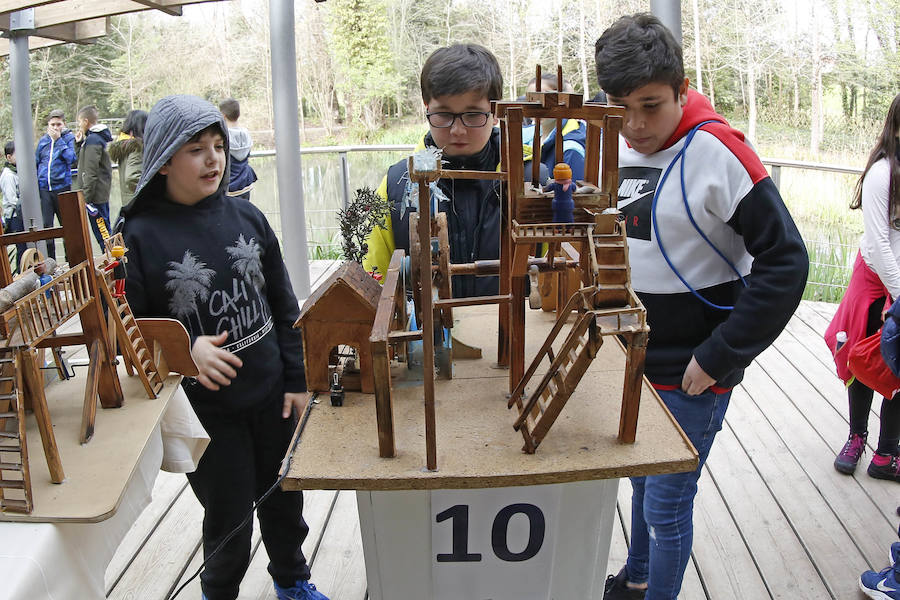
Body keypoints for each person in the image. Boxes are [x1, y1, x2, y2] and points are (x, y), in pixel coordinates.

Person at [594, 14, 808, 600]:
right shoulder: (606, 139)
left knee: (666, 506)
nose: (635, 125)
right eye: (619, 106)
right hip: (629, 359)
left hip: (693, 372)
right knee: (641, 483)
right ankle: (635, 579)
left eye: (650, 105)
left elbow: (787, 262)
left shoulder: (720, 153)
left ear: (681, 91)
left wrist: (719, 355)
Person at [118, 95, 328, 600]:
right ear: (164, 159)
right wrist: (188, 349)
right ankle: (219, 593)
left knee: (284, 499)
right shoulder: (140, 236)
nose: (214, 158)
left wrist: (298, 381)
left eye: (218, 145)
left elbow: (282, 301)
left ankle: (293, 581)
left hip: (273, 393)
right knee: (229, 518)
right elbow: (132, 330)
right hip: (210, 415)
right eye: (196, 149)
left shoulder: (247, 217)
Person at [364, 43, 505, 297]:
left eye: (473, 115)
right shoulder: (395, 186)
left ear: (495, 112)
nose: (458, 130)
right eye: (443, 115)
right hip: (426, 335)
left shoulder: (530, 180)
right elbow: (373, 286)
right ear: (426, 107)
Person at [825, 91, 900, 483]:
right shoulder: (883, 173)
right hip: (875, 282)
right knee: (859, 359)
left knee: (897, 369)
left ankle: (887, 454)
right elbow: (879, 242)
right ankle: (857, 436)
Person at [522, 73, 588, 181]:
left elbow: (575, 193)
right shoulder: (526, 135)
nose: (536, 106)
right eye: (531, 99)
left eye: (546, 99)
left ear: (563, 101)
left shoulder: (571, 149)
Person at [34, 109, 77, 260]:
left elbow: (71, 158)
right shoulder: (43, 141)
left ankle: (70, 259)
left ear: (63, 124)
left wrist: (59, 141)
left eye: (58, 124)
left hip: (62, 188)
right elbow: (36, 161)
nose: (55, 127)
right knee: (47, 226)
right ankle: (50, 261)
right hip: (45, 189)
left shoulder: (68, 138)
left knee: (66, 225)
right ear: (48, 125)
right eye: (52, 124)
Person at [74, 105, 113, 247]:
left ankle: (112, 259)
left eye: (79, 122)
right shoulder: (92, 139)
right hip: (98, 193)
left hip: (95, 196)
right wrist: (78, 145)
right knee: (104, 230)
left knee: (103, 232)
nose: (79, 125)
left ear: (85, 121)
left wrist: (86, 197)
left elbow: (91, 172)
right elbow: (82, 163)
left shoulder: (93, 141)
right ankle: (112, 256)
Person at [219, 98, 258, 201]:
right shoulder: (246, 134)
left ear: (223, 116)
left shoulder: (223, 137)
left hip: (229, 188)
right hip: (245, 184)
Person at [108, 109, 147, 207]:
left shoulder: (125, 146)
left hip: (128, 202)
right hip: (139, 203)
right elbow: (132, 177)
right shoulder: (137, 147)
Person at [1, 141, 26, 273]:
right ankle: (21, 274)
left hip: (20, 213)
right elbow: (11, 199)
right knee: (21, 246)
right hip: (15, 216)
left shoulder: (17, 172)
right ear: (9, 157)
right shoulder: (8, 175)